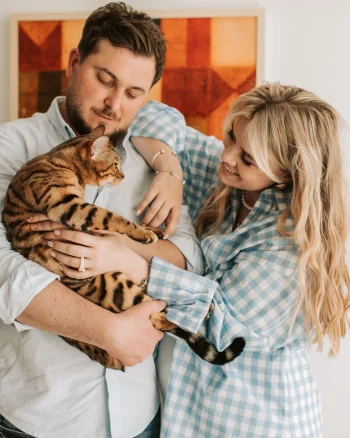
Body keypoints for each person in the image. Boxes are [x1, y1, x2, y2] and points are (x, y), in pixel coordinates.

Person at [49, 83, 350, 437]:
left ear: (285, 172)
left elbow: (221, 327)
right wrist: (170, 173)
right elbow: (150, 114)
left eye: (248, 158)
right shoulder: (227, 180)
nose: (228, 156)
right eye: (231, 137)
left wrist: (131, 262)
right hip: (189, 413)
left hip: (255, 422)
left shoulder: (290, 244)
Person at [0, 3, 206, 438]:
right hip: (39, 420)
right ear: (75, 62)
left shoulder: (154, 165)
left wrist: (124, 251)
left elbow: (189, 259)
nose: (114, 104)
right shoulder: (9, 146)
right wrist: (107, 330)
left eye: (133, 93)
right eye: (104, 80)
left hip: (141, 418)